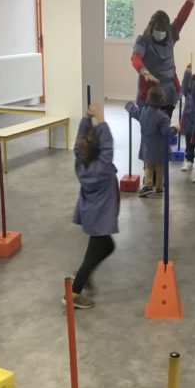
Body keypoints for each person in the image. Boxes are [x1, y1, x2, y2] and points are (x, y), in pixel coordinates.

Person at [65, 104, 120, 310]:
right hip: (100, 218)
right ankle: (73, 293)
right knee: (91, 256)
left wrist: (86, 119)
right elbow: (108, 146)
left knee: (109, 246)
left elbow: (79, 145)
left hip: (91, 214)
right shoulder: (102, 168)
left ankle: (85, 276)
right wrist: (101, 118)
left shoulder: (80, 163)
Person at [131, 0, 195, 116]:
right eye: (157, 30)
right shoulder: (143, 40)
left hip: (169, 91)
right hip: (149, 92)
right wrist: (144, 72)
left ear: (167, 29)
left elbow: (182, 16)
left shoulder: (171, 34)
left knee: (164, 123)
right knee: (149, 124)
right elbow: (135, 57)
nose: (160, 32)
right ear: (151, 27)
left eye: (163, 30)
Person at [126, 87, 180, 198]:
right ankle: (159, 187)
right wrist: (176, 129)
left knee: (148, 166)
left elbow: (133, 111)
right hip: (160, 148)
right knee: (160, 167)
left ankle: (148, 186)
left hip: (147, 147)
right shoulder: (163, 117)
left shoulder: (142, 112)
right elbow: (166, 132)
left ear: (147, 99)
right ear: (163, 102)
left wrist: (129, 105)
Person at [180, 63, 195, 172]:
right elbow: (184, 85)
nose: (194, 87)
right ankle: (189, 161)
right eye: (193, 85)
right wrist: (187, 73)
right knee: (189, 146)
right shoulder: (187, 94)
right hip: (189, 126)